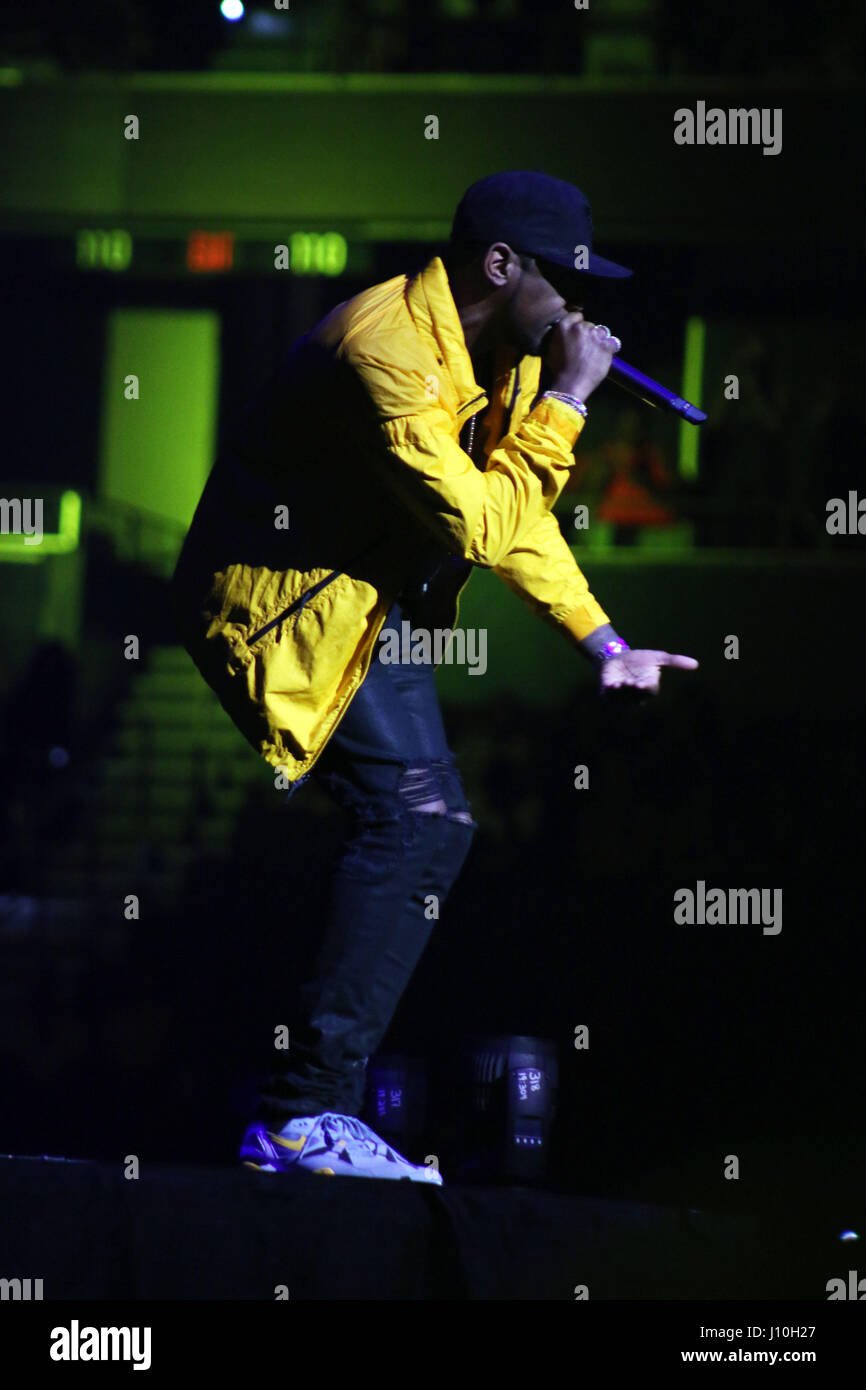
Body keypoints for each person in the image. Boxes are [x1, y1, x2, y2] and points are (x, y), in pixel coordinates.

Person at [169, 171, 698, 1184]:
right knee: (413, 825)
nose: (582, 311)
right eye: (566, 284)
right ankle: (296, 1119)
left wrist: (602, 641)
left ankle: (304, 1114)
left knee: (432, 826)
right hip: (284, 610)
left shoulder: (492, 350)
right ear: (500, 266)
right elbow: (476, 522)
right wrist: (568, 403)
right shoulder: (387, 352)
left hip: (369, 598)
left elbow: (517, 520)